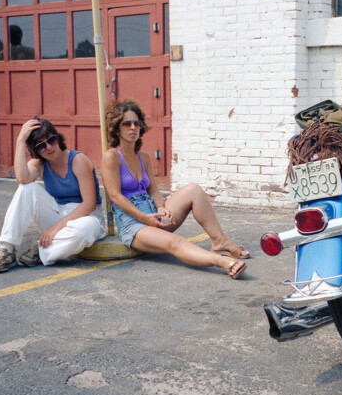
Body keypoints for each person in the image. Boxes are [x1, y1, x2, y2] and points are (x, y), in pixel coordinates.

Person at [102, 101, 249, 279]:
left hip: (152, 214)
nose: (133, 127)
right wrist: (143, 218)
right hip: (133, 224)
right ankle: (223, 262)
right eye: (126, 123)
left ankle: (219, 241)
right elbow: (115, 196)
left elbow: (153, 190)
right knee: (174, 242)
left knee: (193, 190)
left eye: (136, 123)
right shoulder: (111, 157)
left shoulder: (144, 157)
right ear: (116, 128)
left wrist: (161, 207)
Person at [0, 117, 105, 273]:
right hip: (57, 212)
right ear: (35, 151)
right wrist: (20, 140)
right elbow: (22, 178)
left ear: (58, 138)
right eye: (41, 146)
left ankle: (41, 250)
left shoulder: (78, 160)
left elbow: (89, 204)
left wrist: (54, 229)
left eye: (51, 140)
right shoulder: (39, 165)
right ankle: (7, 250)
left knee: (87, 228)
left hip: (85, 217)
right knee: (26, 188)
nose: (48, 147)